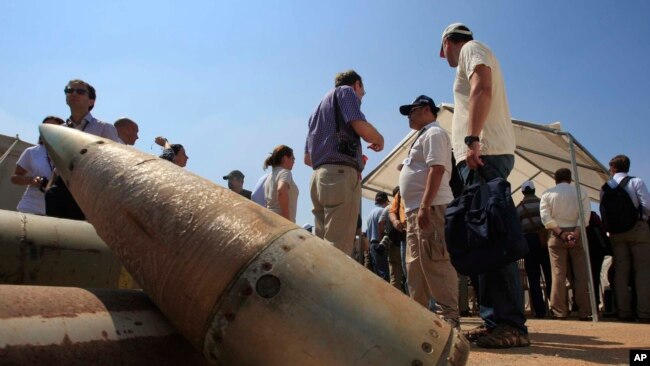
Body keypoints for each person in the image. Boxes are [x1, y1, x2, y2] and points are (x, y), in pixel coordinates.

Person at [440, 23, 528, 347]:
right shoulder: (472, 51)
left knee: (493, 238)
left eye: (442, 49)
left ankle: (511, 324)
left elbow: (482, 87)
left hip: (483, 153)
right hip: (481, 154)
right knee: (483, 240)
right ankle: (496, 321)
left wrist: (473, 140)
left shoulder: (470, 50)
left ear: (446, 43)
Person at [304, 70, 384, 257]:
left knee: (324, 249)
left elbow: (307, 159)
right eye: (362, 94)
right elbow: (359, 124)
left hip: (318, 178)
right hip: (339, 176)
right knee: (338, 251)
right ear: (356, 84)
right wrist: (379, 138)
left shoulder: (316, 111)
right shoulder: (346, 92)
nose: (360, 100)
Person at [397, 95, 459, 328]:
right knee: (415, 267)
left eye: (411, 111)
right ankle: (420, 320)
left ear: (425, 110)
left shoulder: (434, 133)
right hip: (417, 210)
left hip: (431, 207)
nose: (408, 117)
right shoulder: (423, 136)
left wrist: (424, 205)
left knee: (436, 262)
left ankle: (450, 317)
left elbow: (437, 169)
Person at [45, 79, 121, 220]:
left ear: (91, 101)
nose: (73, 93)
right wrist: (49, 189)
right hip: (61, 190)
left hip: (90, 189)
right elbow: (57, 167)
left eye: (80, 91)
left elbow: (113, 163)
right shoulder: (60, 130)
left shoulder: (105, 128)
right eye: (69, 91)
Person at [601, 155, 650, 323]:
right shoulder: (637, 182)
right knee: (642, 271)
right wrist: (640, 218)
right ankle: (644, 312)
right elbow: (647, 205)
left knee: (621, 272)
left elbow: (604, 212)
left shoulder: (606, 187)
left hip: (616, 233)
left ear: (612, 168)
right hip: (637, 228)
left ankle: (623, 311)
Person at [540, 168, 592, 321]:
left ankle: (559, 311)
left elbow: (545, 217)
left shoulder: (547, 193)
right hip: (577, 233)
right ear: (570, 179)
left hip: (556, 235)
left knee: (558, 274)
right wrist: (575, 233)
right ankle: (585, 311)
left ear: (555, 179)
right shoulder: (581, 192)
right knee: (581, 274)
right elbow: (585, 215)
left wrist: (561, 233)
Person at [11, 116, 65, 215]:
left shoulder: (68, 154)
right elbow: (15, 178)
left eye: (52, 127)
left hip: (57, 210)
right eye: (44, 127)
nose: (47, 130)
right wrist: (31, 180)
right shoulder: (32, 151)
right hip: (30, 207)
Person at [516, 180, 552, 318]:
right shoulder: (542, 204)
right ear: (534, 190)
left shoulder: (519, 208)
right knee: (549, 274)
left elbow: (517, 228)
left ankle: (539, 310)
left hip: (528, 242)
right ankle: (554, 307)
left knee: (533, 277)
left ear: (523, 192)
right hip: (544, 240)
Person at [264, 145, 299, 222]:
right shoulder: (285, 172)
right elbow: (281, 190)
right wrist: (286, 218)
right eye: (292, 158)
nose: (294, 161)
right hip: (282, 222)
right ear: (285, 158)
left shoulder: (268, 178)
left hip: (270, 221)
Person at [383, 186, 406, 292]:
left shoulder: (388, 209)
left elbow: (382, 225)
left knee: (395, 275)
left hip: (394, 244)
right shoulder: (394, 207)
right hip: (403, 240)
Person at [366, 192, 390, 282]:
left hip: (372, 245)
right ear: (386, 201)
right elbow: (384, 227)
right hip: (380, 245)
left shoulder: (370, 213)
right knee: (384, 274)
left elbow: (368, 233)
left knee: (377, 274)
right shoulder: (383, 211)